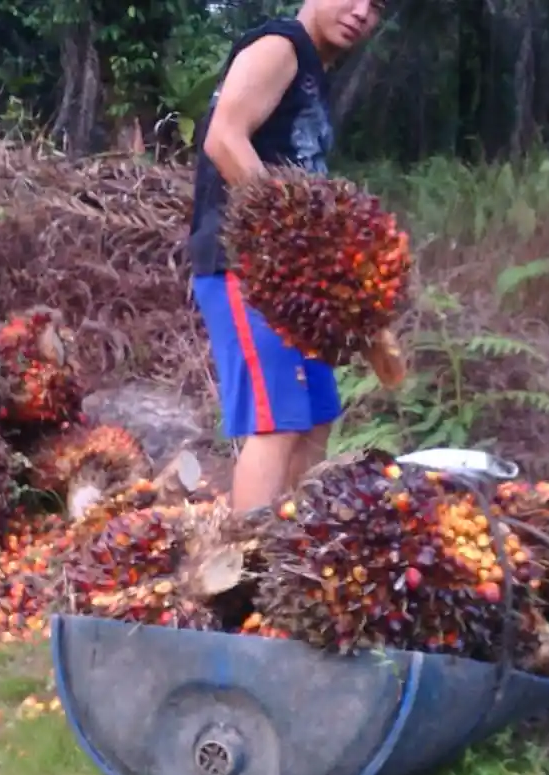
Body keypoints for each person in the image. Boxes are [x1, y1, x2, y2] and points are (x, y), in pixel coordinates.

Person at [186, 0, 386, 513]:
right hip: (246, 266)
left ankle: (294, 542)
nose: (362, 13)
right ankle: (245, 555)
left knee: (316, 416)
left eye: (376, 6)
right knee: (277, 422)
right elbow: (223, 140)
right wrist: (294, 232)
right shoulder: (280, 46)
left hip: (289, 279)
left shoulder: (314, 70)